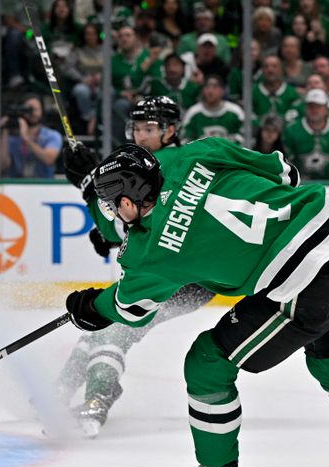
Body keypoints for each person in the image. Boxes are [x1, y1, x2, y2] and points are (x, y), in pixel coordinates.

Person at [63, 138, 329, 467]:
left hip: (308, 281)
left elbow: (127, 308)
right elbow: (285, 172)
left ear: (130, 201)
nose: (113, 213)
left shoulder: (152, 253)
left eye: (113, 204)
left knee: (207, 362)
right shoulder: (193, 154)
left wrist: (87, 304)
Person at [57, 96, 214, 436]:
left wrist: (89, 188)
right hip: (184, 272)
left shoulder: (164, 162)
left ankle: (97, 400)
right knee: (100, 330)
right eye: (136, 128)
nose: (140, 135)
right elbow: (136, 224)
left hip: (182, 279)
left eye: (150, 128)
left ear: (171, 130)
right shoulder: (158, 162)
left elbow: (119, 222)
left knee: (117, 328)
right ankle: (57, 394)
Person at [0, 94, 62, 179]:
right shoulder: (12, 138)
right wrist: (5, 130)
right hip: (16, 185)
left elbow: (48, 159)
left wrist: (26, 139)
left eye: (35, 109)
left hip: (44, 185)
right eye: (28, 109)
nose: (32, 113)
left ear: (42, 111)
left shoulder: (52, 136)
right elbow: (2, 165)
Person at [181, 74, 244, 144]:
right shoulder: (193, 113)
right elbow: (185, 141)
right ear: (202, 90)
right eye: (207, 87)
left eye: (215, 87)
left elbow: (242, 140)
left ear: (222, 90)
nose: (210, 91)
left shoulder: (235, 112)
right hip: (201, 154)